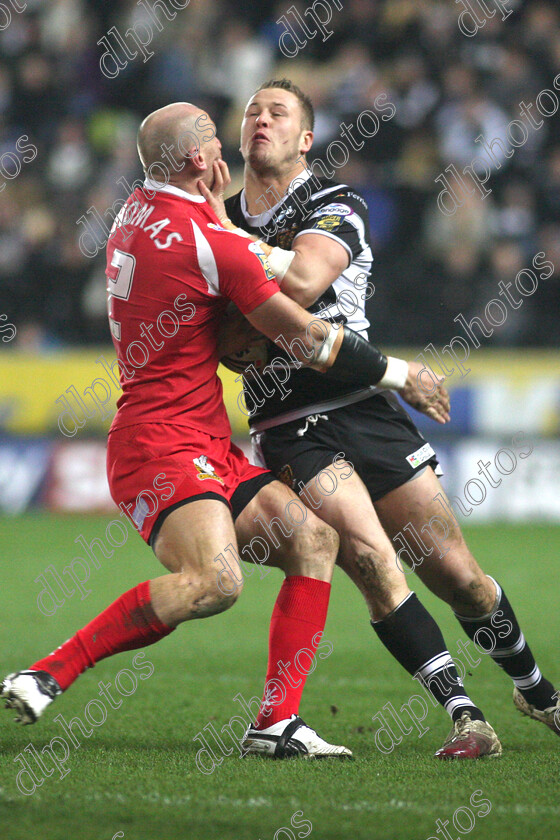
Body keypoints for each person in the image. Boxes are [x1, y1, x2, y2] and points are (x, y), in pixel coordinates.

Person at [1, 103, 444, 760]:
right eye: (213, 141)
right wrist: (401, 373)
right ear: (198, 162)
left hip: (200, 437)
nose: (224, 150)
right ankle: (47, 673)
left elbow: (200, 257)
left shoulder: (137, 211)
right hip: (161, 445)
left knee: (313, 538)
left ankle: (276, 723)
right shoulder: (210, 241)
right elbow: (308, 339)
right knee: (217, 581)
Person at [200, 78, 559, 758]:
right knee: (368, 559)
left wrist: (223, 243)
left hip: (364, 404)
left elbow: (304, 283)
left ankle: (535, 690)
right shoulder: (216, 218)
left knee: (457, 574)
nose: (259, 121)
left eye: (277, 113)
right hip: (289, 424)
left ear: (305, 138)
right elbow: (218, 340)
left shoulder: (335, 203)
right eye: (250, 111)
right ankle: (465, 715)